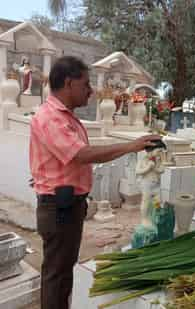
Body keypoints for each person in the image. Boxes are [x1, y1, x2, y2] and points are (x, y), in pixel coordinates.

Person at [29, 56, 161, 309]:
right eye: (86, 85)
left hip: (68, 205)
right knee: (57, 275)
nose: (91, 91)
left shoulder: (68, 118)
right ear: (68, 83)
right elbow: (81, 155)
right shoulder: (50, 117)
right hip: (58, 208)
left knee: (62, 271)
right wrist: (131, 146)